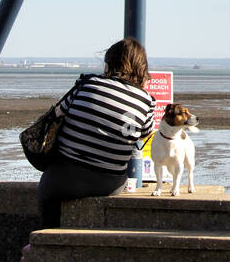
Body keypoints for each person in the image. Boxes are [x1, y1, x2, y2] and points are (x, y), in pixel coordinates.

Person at [37, 37, 156, 229]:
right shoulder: (146, 101)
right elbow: (144, 134)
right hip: (109, 182)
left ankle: (42, 238)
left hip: (65, 176)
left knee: (47, 196)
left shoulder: (87, 84)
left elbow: (57, 114)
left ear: (110, 63)